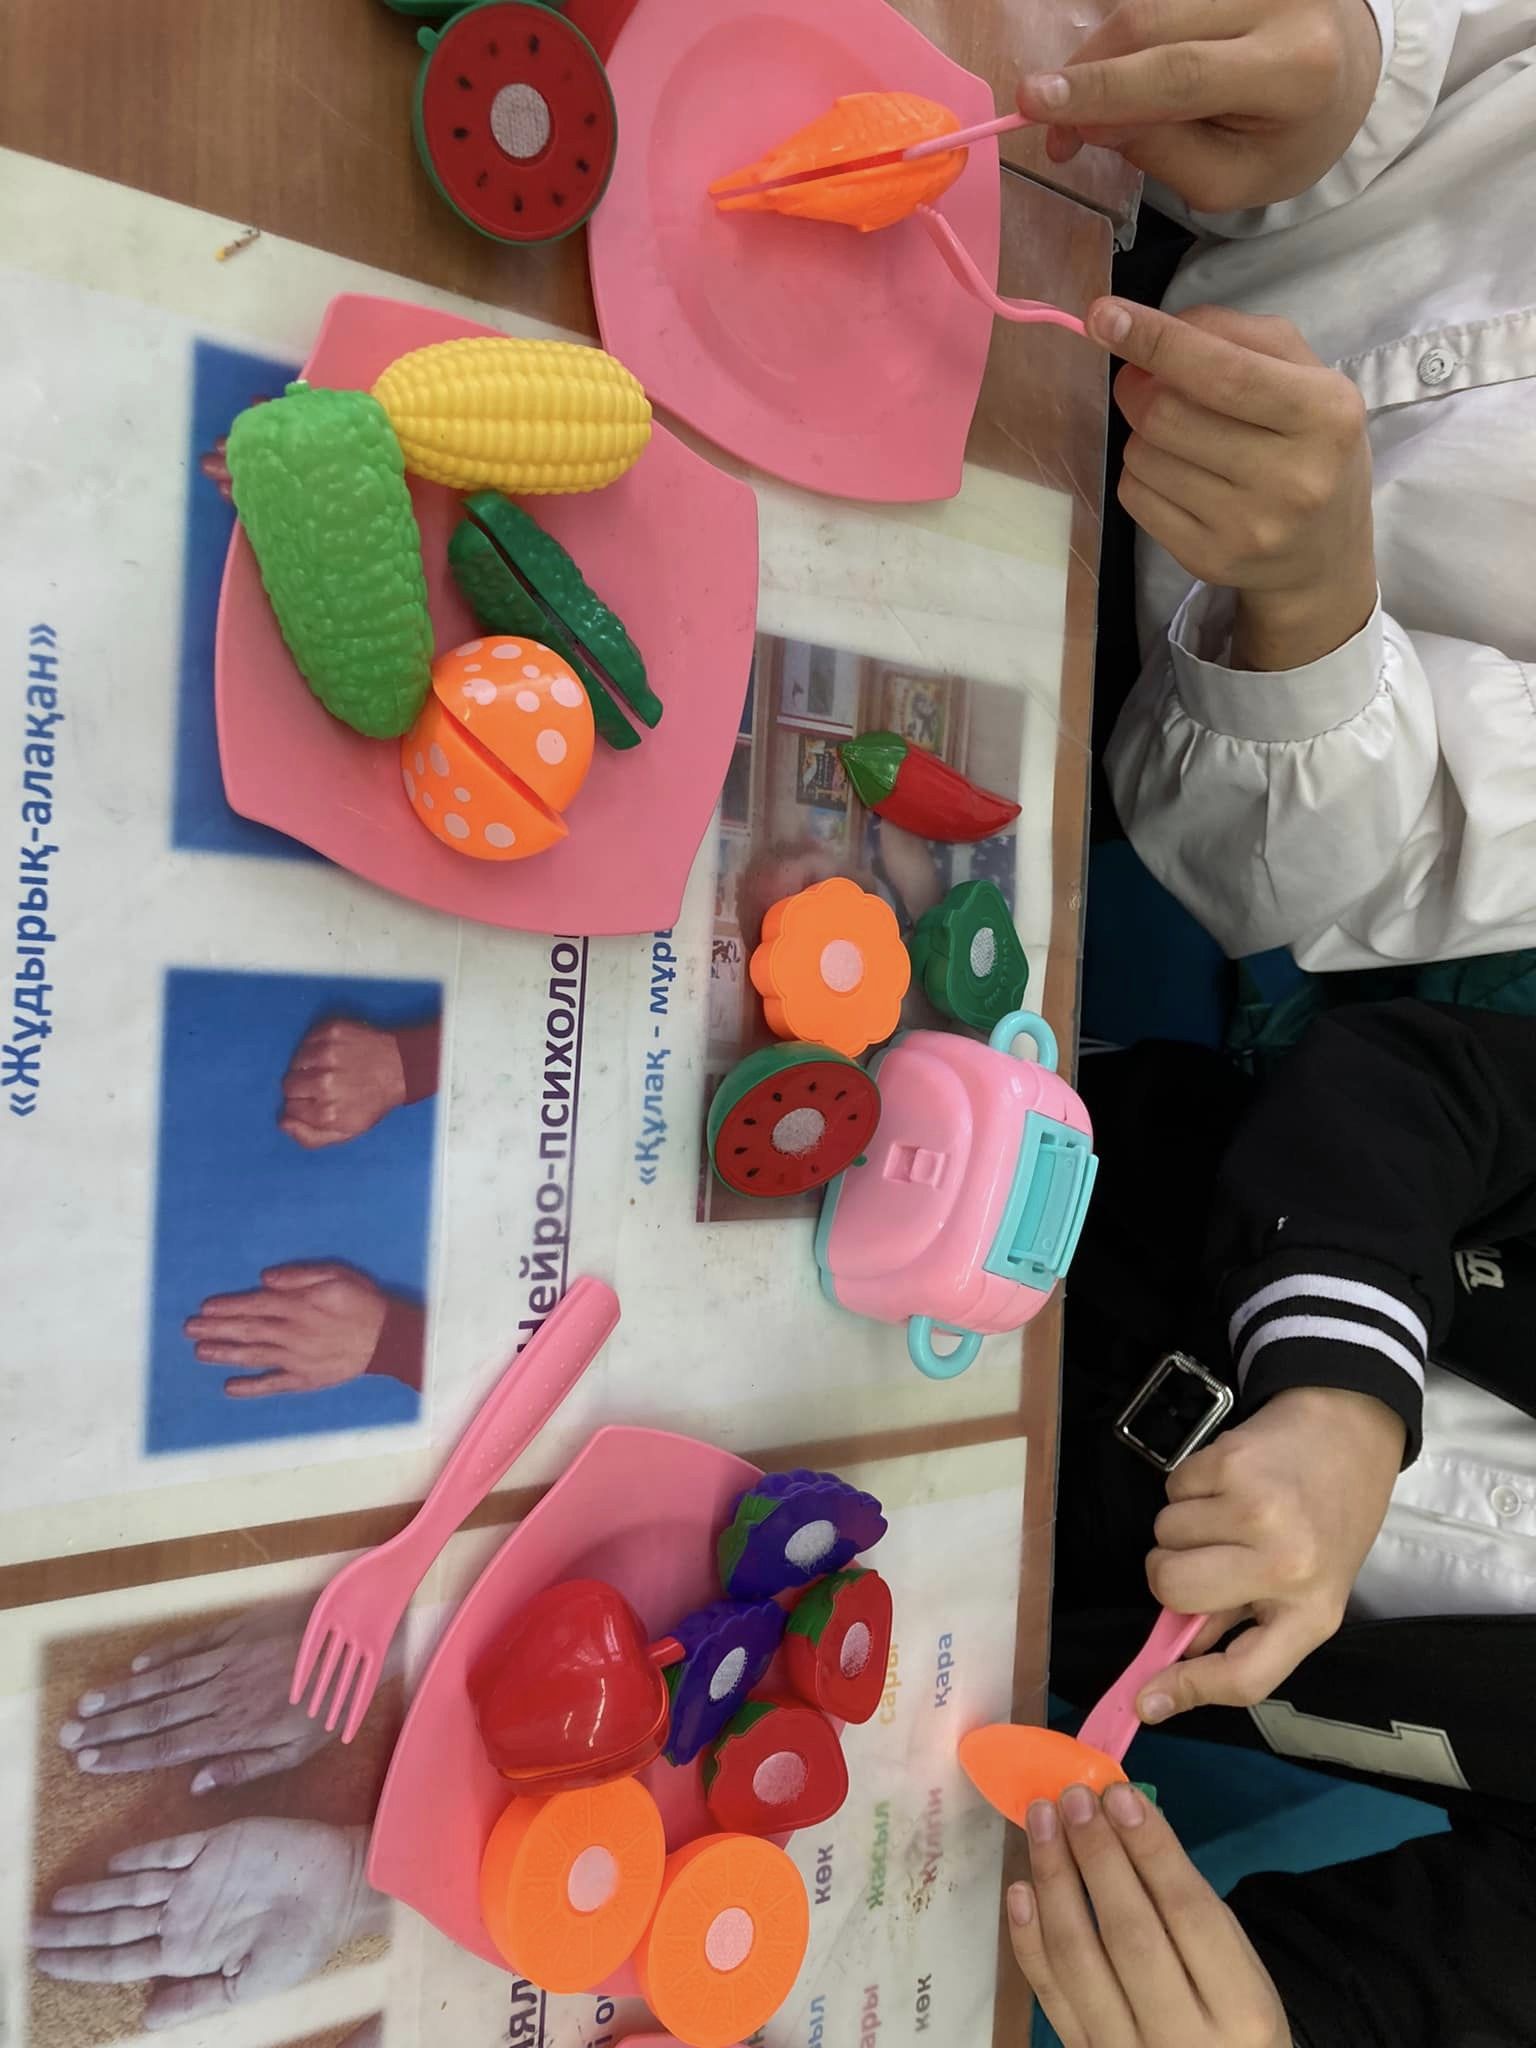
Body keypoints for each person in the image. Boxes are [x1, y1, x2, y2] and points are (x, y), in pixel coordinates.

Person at [1013, 998, 1536, 2044]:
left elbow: (1387, 1994)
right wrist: (1343, 1390)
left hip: (1005, 1605)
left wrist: (1262, 2032)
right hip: (1059, 1192)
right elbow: (1430, 1075)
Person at [1014, 0, 1536, 971]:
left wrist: (1307, 606)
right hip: (1142, 201)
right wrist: (1368, 55)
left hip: (1125, 678)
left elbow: (1355, 867)